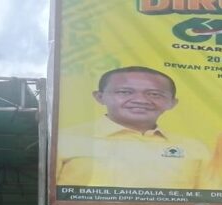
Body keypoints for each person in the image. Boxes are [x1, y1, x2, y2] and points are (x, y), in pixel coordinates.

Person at [56, 66, 212, 189]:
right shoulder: (64, 140)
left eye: (154, 94)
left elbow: (208, 202)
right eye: (125, 92)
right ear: (100, 97)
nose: (140, 100)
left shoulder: (194, 148)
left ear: (172, 103)